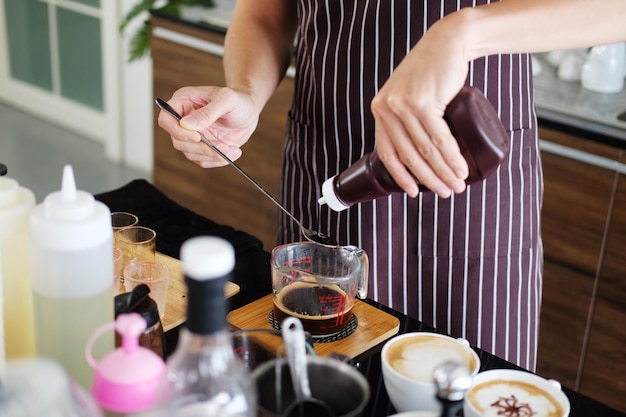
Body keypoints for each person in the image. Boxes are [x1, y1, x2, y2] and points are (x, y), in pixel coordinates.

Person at [157, 0, 626, 371]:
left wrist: (464, 32)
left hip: (467, 168)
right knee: (316, 374)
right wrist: (245, 90)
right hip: (329, 158)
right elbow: (263, 11)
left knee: (475, 379)